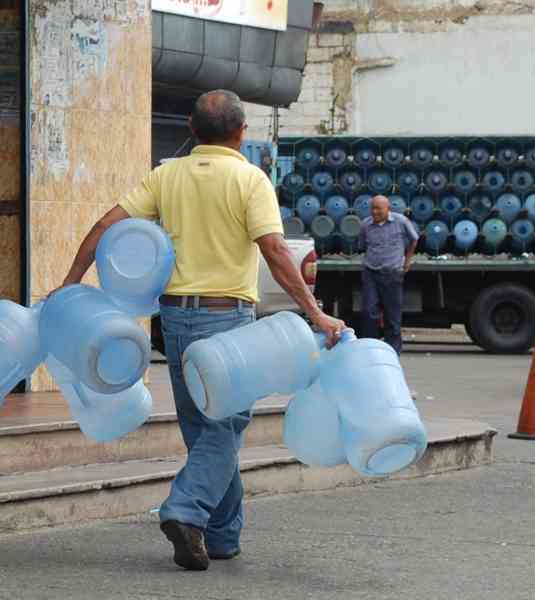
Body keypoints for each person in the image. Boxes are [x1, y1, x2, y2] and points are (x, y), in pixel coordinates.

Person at [55, 90, 346, 569]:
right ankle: (185, 511)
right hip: (226, 319)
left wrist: (68, 284)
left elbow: (106, 224)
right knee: (227, 425)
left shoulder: (166, 175)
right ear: (241, 131)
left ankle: (223, 534)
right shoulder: (250, 179)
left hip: (174, 319)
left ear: (191, 128)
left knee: (203, 426)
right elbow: (275, 250)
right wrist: (316, 314)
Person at [357, 195, 419, 354]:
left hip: (392, 274)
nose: (375, 212)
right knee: (369, 312)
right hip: (371, 272)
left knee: (393, 316)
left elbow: (414, 239)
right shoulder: (366, 225)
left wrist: (407, 260)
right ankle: (371, 349)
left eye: (378, 208)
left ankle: (393, 352)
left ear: (388, 209)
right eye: (373, 208)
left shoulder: (401, 222)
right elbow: (362, 245)